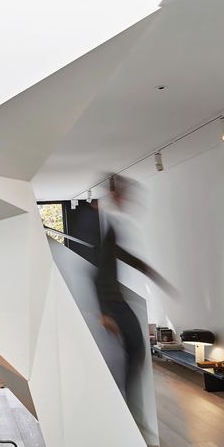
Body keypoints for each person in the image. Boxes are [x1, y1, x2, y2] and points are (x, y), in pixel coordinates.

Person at [95, 174, 172, 415]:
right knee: (136, 352)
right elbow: (97, 267)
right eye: (124, 193)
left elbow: (119, 254)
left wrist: (153, 274)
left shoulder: (110, 224)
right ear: (115, 193)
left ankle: (130, 411)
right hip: (111, 300)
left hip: (113, 298)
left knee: (136, 354)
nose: (127, 200)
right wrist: (104, 312)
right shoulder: (102, 221)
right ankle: (129, 411)